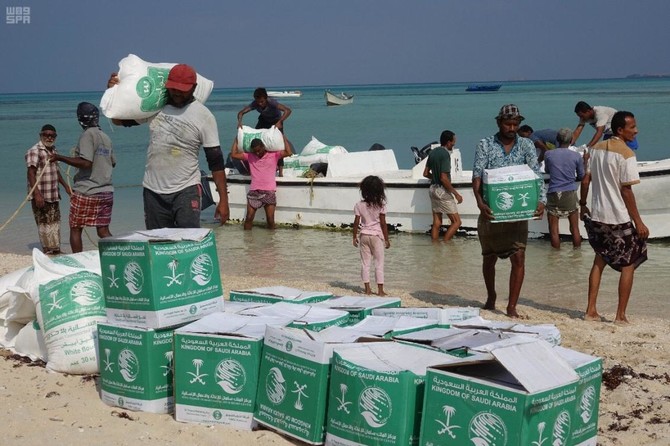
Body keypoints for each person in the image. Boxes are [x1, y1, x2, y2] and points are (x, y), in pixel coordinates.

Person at [108, 64, 229, 229]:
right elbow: (118, 120)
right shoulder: (154, 106)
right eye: (173, 88)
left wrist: (223, 200)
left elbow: (216, 162)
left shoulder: (204, 116)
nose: (177, 93)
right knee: (157, 244)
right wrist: (114, 92)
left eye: (182, 89)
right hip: (153, 191)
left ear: (193, 87)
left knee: (187, 243)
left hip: (186, 190)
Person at [472, 104, 547, 318]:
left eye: (515, 124)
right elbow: (477, 176)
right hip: (490, 211)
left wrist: (541, 201)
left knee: (519, 256)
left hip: (517, 213)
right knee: (489, 257)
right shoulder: (485, 144)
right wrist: (479, 203)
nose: (512, 127)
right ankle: (491, 297)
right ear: (499, 123)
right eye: (508, 123)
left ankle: (512, 306)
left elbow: (535, 175)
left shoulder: (527, 146)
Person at [579, 111, 649, 324]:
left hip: (598, 215)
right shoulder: (627, 154)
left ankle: (590, 310)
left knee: (599, 260)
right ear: (620, 130)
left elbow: (585, 181)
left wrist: (583, 205)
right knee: (628, 265)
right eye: (632, 127)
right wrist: (638, 222)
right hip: (618, 217)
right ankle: (620, 315)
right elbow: (626, 191)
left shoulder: (595, 150)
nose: (636, 130)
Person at [50, 103, 115, 253]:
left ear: (80, 119)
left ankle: (79, 261)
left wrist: (59, 157)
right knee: (103, 231)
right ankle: (118, 256)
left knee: (76, 227)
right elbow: (113, 162)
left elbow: (86, 163)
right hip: (106, 192)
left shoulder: (87, 135)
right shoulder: (106, 137)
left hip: (87, 190)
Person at [25, 124, 71, 255]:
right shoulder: (34, 151)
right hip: (40, 193)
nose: (49, 137)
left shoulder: (53, 150)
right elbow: (31, 173)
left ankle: (55, 248)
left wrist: (65, 186)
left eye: (52, 135)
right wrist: (37, 194)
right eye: (46, 135)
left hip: (53, 193)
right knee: (43, 223)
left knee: (55, 222)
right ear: (41, 135)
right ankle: (47, 249)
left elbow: (56, 171)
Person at [230, 135, 293, 230]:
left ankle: (271, 242)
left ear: (263, 146)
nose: (257, 153)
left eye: (259, 150)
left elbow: (289, 152)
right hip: (254, 192)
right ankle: (247, 242)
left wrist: (283, 138)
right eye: (255, 151)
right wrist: (237, 139)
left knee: (270, 220)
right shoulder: (250, 156)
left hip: (269, 192)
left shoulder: (274, 155)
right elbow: (233, 154)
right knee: (249, 218)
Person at [543, 128, 585, 249]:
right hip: (569, 193)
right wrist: (585, 160)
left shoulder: (548, 154)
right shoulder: (576, 156)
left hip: (553, 193)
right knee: (575, 228)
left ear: (557, 139)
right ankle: (577, 255)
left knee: (553, 229)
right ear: (571, 140)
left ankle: (555, 259)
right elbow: (581, 175)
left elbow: (547, 170)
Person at [237, 88, 292, 176]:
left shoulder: (272, 102)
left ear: (266, 99)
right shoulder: (255, 103)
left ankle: (281, 172)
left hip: (276, 120)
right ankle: (256, 164)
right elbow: (241, 113)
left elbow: (288, 110)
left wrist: (280, 121)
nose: (260, 104)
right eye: (258, 102)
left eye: (262, 101)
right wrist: (239, 122)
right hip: (263, 120)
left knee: (279, 145)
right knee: (255, 139)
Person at [352, 175, 391, 295]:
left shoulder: (359, 205)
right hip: (376, 236)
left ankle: (367, 289)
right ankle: (380, 290)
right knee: (379, 264)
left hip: (363, 235)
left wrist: (354, 236)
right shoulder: (381, 205)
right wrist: (386, 239)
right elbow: (383, 224)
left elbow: (356, 222)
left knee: (365, 263)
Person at [422, 130, 463, 241]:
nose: (454, 145)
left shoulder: (433, 152)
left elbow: (425, 173)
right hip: (442, 191)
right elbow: (444, 178)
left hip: (432, 189)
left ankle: (436, 249)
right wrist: (457, 194)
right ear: (448, 142)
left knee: (437, 222)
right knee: (456, 222)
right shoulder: (445, 154)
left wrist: (434, 177)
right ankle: (446, 243)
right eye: (453, 142)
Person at [571, 101, 639, 150]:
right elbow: (578, 130)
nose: (581, 118)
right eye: (579, 116)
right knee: (605, 151)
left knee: (627, 149)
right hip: (609, 133)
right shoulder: (584, 117)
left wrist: (588, 147)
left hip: (621, 132)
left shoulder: (600, 113)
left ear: (588, 111)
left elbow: (599, 132)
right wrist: (569, 144)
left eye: (582, 116)